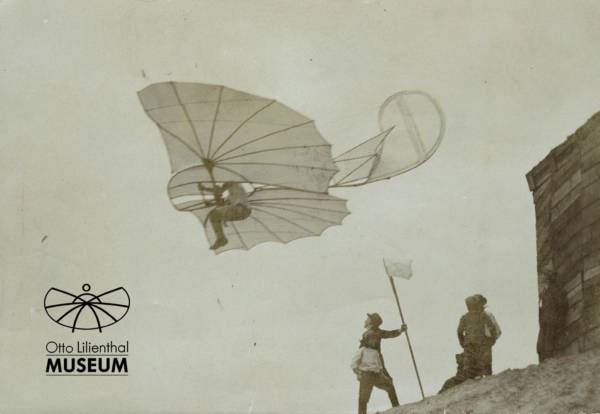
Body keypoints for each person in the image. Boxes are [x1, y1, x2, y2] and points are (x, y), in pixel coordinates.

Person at [350, 313, 407, 414]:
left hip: (373, 369)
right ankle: (397, 407)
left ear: (371, 323)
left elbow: (387, 334)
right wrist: (400, 331)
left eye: (367, 319)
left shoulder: (372, 334)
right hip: (371, 370)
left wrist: (400, 331)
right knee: (387, 386)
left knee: (364, 399)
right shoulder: (369, 340)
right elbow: (388, 334)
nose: (365, 320)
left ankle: (397, 408)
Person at [457, 294, 501, 379]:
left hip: (470, 346)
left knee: (470, 370)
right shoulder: (484, 315)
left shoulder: (464, 317)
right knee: (486, 368)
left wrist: (463, 343)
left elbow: (459, 332)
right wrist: (492, 340)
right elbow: (492, 328)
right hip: (483, 344)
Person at [198, 181, 252, 250]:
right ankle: (221, 238)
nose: (223, 186)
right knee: (215, 215)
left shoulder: (235, 184)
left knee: (215, 214)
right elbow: (222, 204)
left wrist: (204, 188)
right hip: (243, 213)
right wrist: (210, 203)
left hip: (241, 209)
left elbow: (219, 191)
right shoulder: (232, 193)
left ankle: (221, 239)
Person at [537, 273, 568, 362]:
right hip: (544, 321)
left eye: (544, 281)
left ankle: (547, 360)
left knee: (547, 342)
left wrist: (559, 318)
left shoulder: (555, 291)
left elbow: (563, 304)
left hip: (551, 320)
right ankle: (544, 361)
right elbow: (540, 309)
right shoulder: (544, 294)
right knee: (541, 344)